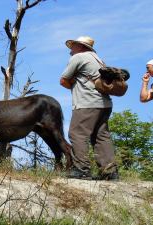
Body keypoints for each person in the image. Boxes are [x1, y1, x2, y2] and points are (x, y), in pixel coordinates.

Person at [60, 36, 118, 180]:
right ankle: (110, 172)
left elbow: (63, 81)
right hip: (105, 104)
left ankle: (82, 170)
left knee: (77, 133)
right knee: (101, 136)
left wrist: (73, 82)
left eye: (73, 47)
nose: (70, 51)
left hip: (87, 104)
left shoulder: (79, 57)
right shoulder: (98, 59)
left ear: (81, 46)